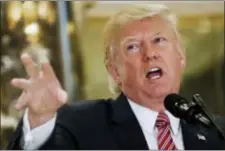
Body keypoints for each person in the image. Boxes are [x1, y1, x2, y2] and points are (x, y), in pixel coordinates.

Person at [7, 4, 225, 150]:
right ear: (114, 71)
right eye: (133, 46)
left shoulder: (216, 131)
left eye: (159, 40)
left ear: (180, 57)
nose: (150, 53)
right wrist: (40, 122)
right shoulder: (79, 124)